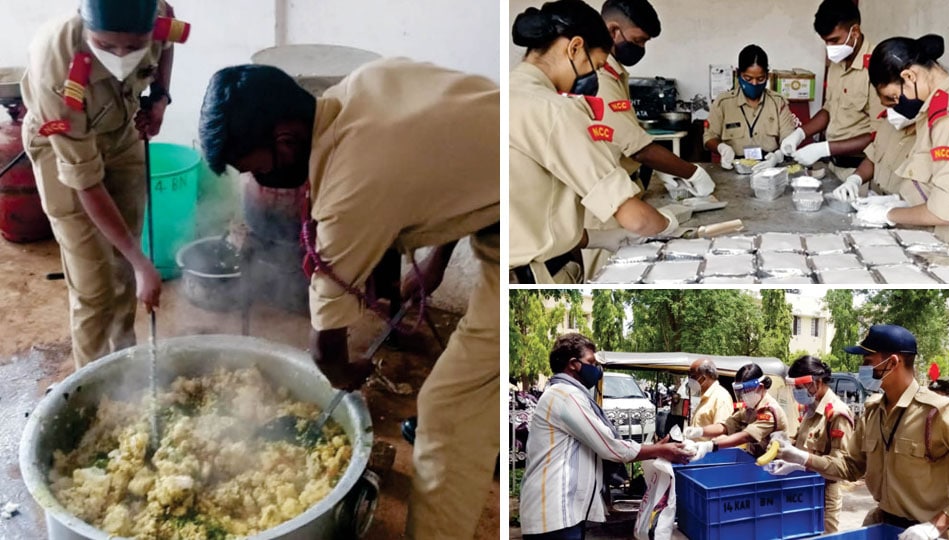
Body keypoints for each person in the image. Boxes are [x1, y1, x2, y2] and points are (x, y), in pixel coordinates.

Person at [198, 58, 498, 540]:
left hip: (529, 228)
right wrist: (437, 260)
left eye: (253, 169)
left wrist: (345, 374)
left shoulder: (350, 189)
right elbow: (470, 162)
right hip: (505, 197)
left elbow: (326, 349)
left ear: (287, 140)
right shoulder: (366, 83)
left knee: (447, 412)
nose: (255, 183)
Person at [20, 0, 186, 369]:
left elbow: (169, 42)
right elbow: (86, 182)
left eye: (134, 46)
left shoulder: (159, 15)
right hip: (62, 147)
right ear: (84, 23)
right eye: (107, 46)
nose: (122, 56)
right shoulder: (56, 66)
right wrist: (143, 261)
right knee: (94, 285)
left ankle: (123, 365)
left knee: (125, 268)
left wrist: (159, 98)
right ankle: (90, 386)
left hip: (120, 130)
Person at [510, 0, 698, 284]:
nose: (590, 78)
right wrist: (668, 225)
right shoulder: (556, 110)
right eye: (593, 65)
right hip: (534, 275)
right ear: (574, 48)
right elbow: (637, 220)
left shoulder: (505, 93)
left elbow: (530, 211)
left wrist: (596, 238)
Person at [776, 325, 949, 540]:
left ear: (892, 362)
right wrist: (802, 458)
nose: (862, 368)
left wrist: (936, 525)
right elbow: (850, 467)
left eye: (868, 361)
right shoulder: (874, 412)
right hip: (882, 524)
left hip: (926, 534)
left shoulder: (938, 414)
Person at [581, 0, 716, 278]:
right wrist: (692, 172)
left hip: (620, 191)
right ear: (614, 30)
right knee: (607, 273)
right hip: (604, 201)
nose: (641, 49)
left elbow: (627, 136)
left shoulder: (615, 73)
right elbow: (640, 149)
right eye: (638, 40)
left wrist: (661, 172)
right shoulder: (599, 78)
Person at [519, 333, 693, 540]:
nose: (597, 369)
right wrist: (659, 450)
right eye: (591, 362)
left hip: (559, 512)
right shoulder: (565, 396)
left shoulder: (564, 393)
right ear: (573, 364)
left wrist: (656, 448)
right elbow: (610, 447)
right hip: (555, 513)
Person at [853, 35, 949, 255]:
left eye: (893, 97)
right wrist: (899, 202)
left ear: (909, 76)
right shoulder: (936, 106)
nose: (896, 106)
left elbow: (945, 211)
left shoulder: (947, 115)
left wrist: (888, 214)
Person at [780, 0, 882, 180]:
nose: (830, 48)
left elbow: (879, 135)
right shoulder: (837, 63)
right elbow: (829, 109)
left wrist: (823, 148)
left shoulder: (877, 67)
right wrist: (800, 133)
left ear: (855, 31)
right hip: (834, 166)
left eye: (834, 40)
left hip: (861, 172)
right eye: (826, 42)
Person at [765, 356, 854, 534]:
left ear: (817, 382)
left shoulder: (836, 413)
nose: (796, 392)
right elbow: (800, 441)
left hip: (824, 494)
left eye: (799, 387)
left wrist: (800, 462)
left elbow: (841, 467)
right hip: (803, 488)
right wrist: (783, 444)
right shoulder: (811, 409)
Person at [704, 45, 798, 171]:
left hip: (769, 166)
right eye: (748, 78)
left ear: (767, 76)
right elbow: (709, 138)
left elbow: (789, 139)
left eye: (760, 79)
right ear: (738, 74)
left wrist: (778, 156)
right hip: (734, 167)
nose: (754, 84)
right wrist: (722, 148)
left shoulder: (778, 103)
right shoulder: (723, 103)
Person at [683, 363, 787, 458]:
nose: (742, 396)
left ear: (760, 387)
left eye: (746, 391)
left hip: (774, 463)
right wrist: (699, 431)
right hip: (754, 458)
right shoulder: (749, 407)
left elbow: (746, 436)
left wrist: (711, 445)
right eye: (739, 392)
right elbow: (727, 425)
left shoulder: (769, 411)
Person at [831, 107, 920, 203]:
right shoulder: (890, 121)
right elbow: (873, 157)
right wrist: (855, 179)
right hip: (875, 200)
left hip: (907, 210)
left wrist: (897, 202)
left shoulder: (930, 133)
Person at [686, 358, 734, 438]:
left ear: (704, 378)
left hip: (708, 449)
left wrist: (700, 433)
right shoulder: (704, 396)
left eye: (693, 377)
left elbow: (722, 430)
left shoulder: (721, 397)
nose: (690, 381)